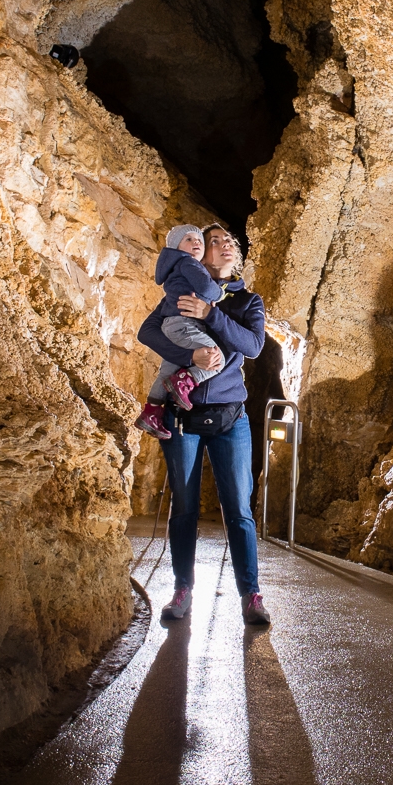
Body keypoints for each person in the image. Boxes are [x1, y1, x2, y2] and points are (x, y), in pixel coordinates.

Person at [136, 222, 271, 628]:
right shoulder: (182, 291)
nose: (224, 245)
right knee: (184, 507)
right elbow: (148, 331)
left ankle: (251, 595)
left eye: (228, 241)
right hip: (184, 417)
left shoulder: (247, 301)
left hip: (231, 416)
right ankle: (182, 590)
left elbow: (252, 346)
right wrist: (190, 356)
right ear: (200, 254)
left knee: (239, 509)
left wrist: (211, 313)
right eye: (214, 242)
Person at [135, 225, 228, 439]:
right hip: (184, 324)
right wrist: (218, 294)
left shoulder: (176, 270)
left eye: (199, 240)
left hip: (173, 326)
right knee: (217, 359)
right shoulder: (188, 263)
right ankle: (185, 380)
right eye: (188, 239)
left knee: (166, 372)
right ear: (176, 247)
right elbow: (206, 287)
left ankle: (151, 412)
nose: (196, 242)